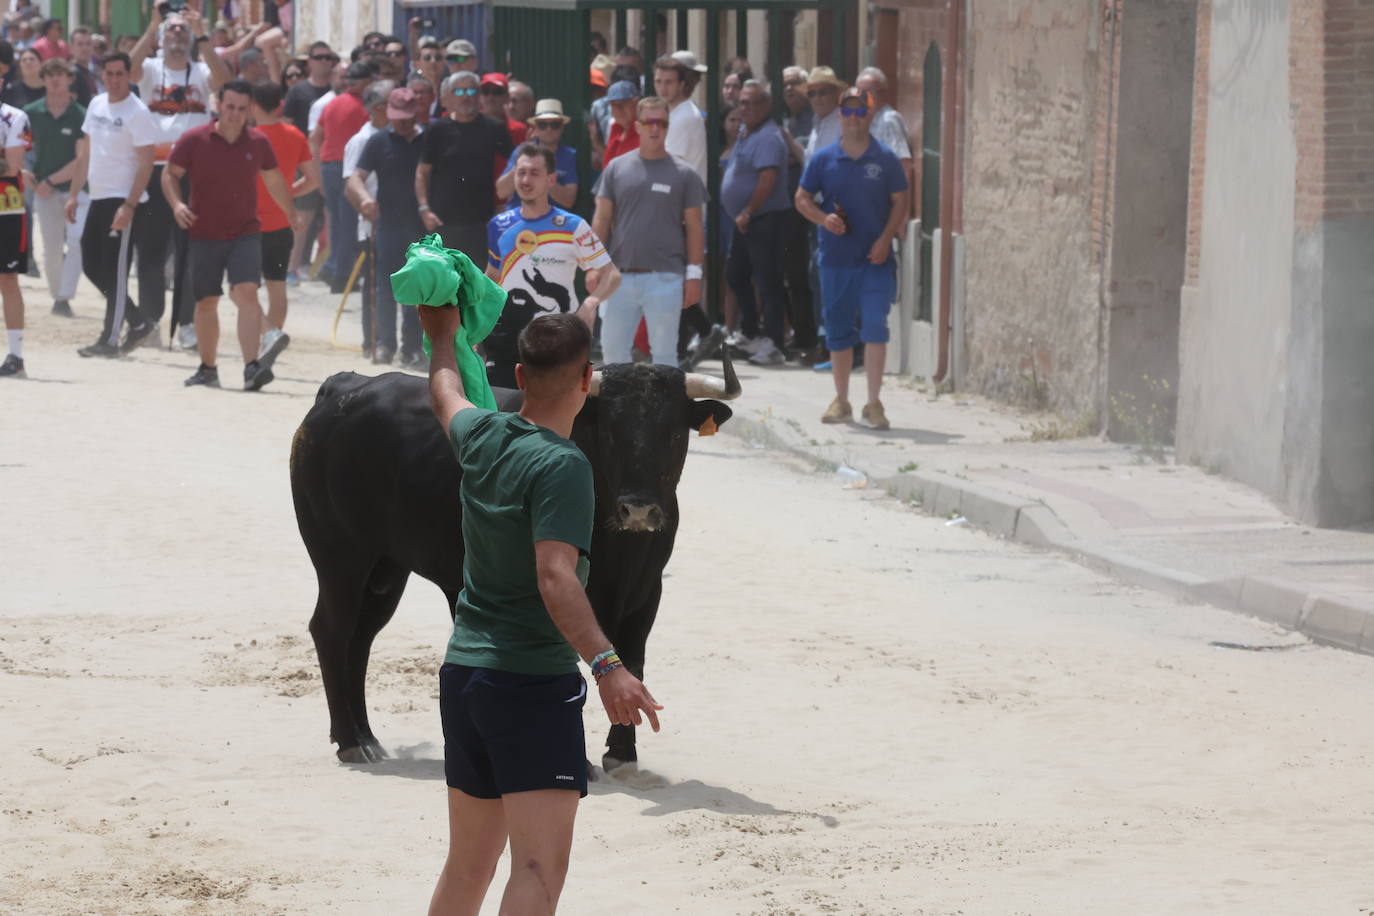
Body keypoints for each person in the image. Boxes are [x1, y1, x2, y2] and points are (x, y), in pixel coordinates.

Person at [418, 305, 661, 916]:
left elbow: (445, 390)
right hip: (528, 685)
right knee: (537, 870)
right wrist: (609, 665)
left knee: (467, 866)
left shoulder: (481, 434)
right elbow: (555, 578)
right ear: (587, 381)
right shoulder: (563, 466)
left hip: (465, 675)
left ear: (520, 376)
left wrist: (441, 333)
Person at [162, 78, 293, 390]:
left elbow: (274, 180)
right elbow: (170, 174)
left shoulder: (258, 142)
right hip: (203, 233)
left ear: (250, 110)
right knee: (207, 301)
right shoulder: (194, 139)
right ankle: (208, 368)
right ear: (219, 105)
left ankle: (252, 367)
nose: (235, 114)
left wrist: (291, 212)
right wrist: (177, 204)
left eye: (241, 109)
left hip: (245, 232)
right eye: (230, 107)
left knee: (247, 292)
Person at [795, 88, 908, 430]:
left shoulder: (885, 158)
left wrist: (886, 239)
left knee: (875, 326)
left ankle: (874, 403)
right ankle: (841, 400)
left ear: (870, 115)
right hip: (836, 260)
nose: (855, 118)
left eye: (861, 112)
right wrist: (823, 219)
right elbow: (802, 198)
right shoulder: (824, 159)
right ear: (840, 115)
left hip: (875, 260)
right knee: (839, 332)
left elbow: (901, 202)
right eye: (849, 111)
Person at [131, 6, 235, 341]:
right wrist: (153, 28)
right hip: (154, 169)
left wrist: (201, 33)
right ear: (162, 38)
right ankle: (150, 320)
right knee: (151, 250)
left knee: (192, 249)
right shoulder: (150, 68)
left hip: (194, 171)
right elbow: (129, 69)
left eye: (182, 30)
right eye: (171, 30)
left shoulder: (201, 69)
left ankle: (188, 323)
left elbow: (225, 82)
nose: (177, 33)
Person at [484, 142, 619, 387]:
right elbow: (492, 277)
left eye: (534, 173)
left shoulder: (572, 225)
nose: (526, 180)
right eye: (521, 172)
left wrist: (590, 303)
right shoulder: (498, 225)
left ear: (551, 178)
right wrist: (475, 325)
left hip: (557, 338)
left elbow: (612, 275)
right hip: (506, 337)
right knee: (501, 413)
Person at [591, 96, 705, 366]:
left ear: (668, 127)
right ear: (638, 126)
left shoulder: (685, 174)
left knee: (665, 358)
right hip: (619, 277)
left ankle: (664, 410)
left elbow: (696, 227)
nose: (655, 128)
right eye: (649, 122)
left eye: (662, 123)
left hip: (666, 278)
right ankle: (616, 410)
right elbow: (602, 219)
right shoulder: (616, 168)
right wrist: (595, 266)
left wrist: (694, 275)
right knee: (612, 355)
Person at [67, 51, 159, 358]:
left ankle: (109, 339)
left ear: (128, 75)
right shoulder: (96, 104)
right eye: (110, 74)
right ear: (102, 75)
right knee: (91, 263)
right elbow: (86, 154)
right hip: (97, 197)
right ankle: (136, 321)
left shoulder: (138, 112)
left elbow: (147, 163)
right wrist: (73, 194)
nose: (115, 80)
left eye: (120, 74)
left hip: (124, 200)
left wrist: (130, 205)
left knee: (116, 271)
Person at [348, 85, 426, 367]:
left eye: (407, 117)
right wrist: (365, 199)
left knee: (417, 289)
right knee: (385, 287)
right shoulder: (378, 141)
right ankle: (384, 343)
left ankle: (413, 347)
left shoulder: (426, 140)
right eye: (398, 117)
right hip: (388, 225)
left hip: (420, 227)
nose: (403, 123)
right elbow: (355, 178)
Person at [720, 80, 791, 366]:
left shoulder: (769, 137)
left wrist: (748, 211)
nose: (745, 108)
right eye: (742, 102)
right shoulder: (746, 132)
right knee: (736, 274)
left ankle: (774, 342)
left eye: (751, 103)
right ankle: (749, 332)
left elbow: (768, 180)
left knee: (768, 281)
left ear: (766, 106)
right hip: (746, 220)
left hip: (765, 219)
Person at [249, 79, 317, 363]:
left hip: (248, 224)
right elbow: (313, 179)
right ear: (279, 104)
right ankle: (271, 339)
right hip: (282, 221)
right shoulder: (294, 135)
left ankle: (267, 336)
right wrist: (289, 193)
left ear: (252, 105)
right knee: (277, 286)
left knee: (241, 290)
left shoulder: (248, 136)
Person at [416, 70, 512, 265]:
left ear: (479, 96)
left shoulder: (494, 128)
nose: (466, 96)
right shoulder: (437, 130)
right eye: (459, 92)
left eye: (471, 91)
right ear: (448, 97)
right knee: (446, 285)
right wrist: (425, 209)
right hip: (443, 223)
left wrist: (506, 205)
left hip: (482, 223)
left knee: (477, 284)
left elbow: (515, 164)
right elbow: (422, 172)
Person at [25, 57, 88, 320]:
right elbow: (18, 149)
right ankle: (57, 296)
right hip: (43, 192)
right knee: (51, 248)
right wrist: (25, 173)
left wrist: (50, 181)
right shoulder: (31, 112)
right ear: (43, 79)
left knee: (76, 242)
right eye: (49, 74)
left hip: (77, 190)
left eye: (60, 74)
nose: (54, 79)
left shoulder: (81, 115)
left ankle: (65, 295)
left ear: (69, 79)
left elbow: (82, 159)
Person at [341, 78, 392, 359]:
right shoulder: (361, 140)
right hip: (371, 224)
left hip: (401, 224)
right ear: (376, 107)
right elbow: (350, 184)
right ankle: (373, 341)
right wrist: (366, 207)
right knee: (374, 287)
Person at [314, 60, 373, 292]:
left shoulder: (332, 103)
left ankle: (333, 269)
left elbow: (315, 137)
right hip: (348, 168)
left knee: (337, 223)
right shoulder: (363, 108)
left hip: (329, 165)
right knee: (348, 224)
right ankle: (340, 276)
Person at [495, 98, 576, 210]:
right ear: (535, 128)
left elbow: (568, 200)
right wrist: (522, 164)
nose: (549, 129)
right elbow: (501, 192)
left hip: (551, 221)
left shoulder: (569, 155)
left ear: (562, 127)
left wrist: (541, 174)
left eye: (555, 124)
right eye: (542, 125)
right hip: (518, 218)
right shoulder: (520, 152)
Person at [855, 66, 915, 215]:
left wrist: (901, 213)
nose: (863, 98)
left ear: (883, 94)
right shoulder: (864, 120)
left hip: (882, 207)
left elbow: (904, 165)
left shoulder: (888, 120)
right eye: (859, 93)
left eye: (868, 93)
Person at [0, 84, 29, 376]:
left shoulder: (14, 117)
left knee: (7, 279)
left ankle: (16, 356)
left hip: (6, 208)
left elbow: (12, 166)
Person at [653, 52, 705, 179]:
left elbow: (668, 168)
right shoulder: (678, 112)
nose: (662, 88)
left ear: (681, 84)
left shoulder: (684, 117)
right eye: (658, 82)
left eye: (669, 82)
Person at [804, 65, 844, 161]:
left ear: (837, 93)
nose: (817, 98)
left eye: (823, 92)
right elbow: (809, 160)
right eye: (812, 93)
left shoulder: (845, 123)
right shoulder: (817, 122)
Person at [599, 78, 639, 168]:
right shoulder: (615, 128)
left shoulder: (645, 130)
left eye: (623, 104)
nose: (618, 110)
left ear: (636, 103)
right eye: (613, 105)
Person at [478, 71, 526, 145]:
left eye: (497, 92)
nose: (491, 97)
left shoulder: (518, 130)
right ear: (479, 96)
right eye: (485, 91)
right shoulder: (469, 125)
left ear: (507, 97)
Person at [69, 27, 99, 105]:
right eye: (80, 44)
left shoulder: (91, 72)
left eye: (88, 44)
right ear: (71, 48)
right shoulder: (71, 73)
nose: (85, 48)